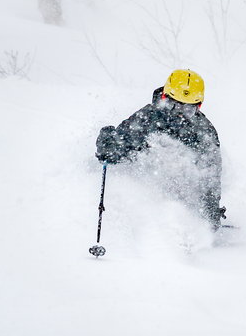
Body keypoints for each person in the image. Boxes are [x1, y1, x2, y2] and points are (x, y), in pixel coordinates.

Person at [95, 69, 226, 229]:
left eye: (187, 109)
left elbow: (210, 176)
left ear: (198, 107)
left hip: (184, 200)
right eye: (174, 106)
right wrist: (109, 146)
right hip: (146, 194)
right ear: (164, 97)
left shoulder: (204, 132)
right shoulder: (147, 118)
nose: (179, 114)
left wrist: (209, 214)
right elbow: (120, 148)